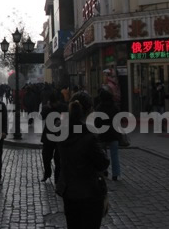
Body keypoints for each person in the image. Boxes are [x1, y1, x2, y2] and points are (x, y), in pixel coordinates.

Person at [56, 92, 110, 229]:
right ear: (90, 110)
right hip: (90, 193)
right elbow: (103, 163)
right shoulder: (89, 137)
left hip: (69, 192)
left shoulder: (62, 133)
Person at [40, 89, 67, 183]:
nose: (54, 105)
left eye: (55, 103)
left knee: (58, 158)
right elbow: (42, 116)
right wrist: (48, 108)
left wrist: (61, 121)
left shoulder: (63, 107)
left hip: (60, 135)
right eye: (52, 103)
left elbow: (67, 117)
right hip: (48, 135)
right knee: (45, 156)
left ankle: (57, 177)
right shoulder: (46, 108)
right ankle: (47, 173)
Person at [96, 87, 121, 181]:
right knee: (115, 155)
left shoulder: (99, 108)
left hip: (102, 135)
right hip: (114, 134)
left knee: (102, 155)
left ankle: (104, 171)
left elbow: (96, 122)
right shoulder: (115, 107)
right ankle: (115, 174)